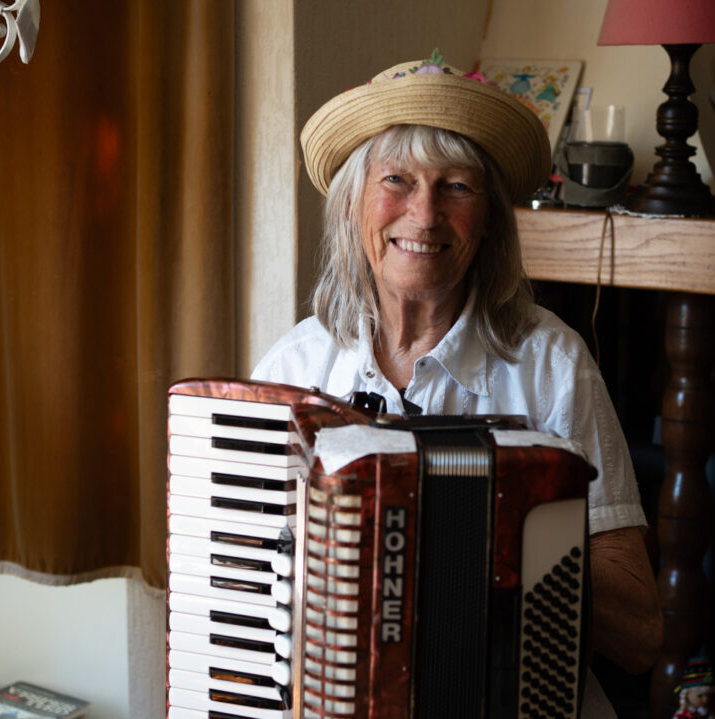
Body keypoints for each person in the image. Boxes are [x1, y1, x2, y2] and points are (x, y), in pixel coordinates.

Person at [250, 53, 663, 712]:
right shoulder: (292, 372)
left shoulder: (552, 365)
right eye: (397, 180)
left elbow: (640, 632)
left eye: (457, 187)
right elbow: (240, 587)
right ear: (353, 203)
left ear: (490, 217)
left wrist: (518, 537)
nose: (425, 215)